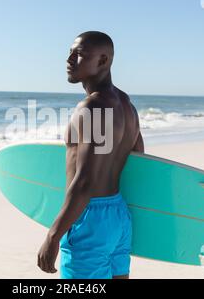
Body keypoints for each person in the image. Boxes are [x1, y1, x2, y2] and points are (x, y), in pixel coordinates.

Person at [37, 31, 144, 279]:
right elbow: (138, 158)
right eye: (70, 52)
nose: (70, 59)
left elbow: (85, 181)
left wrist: (53, 235)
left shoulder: (93, 106)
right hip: (118, 215)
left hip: (88, 218)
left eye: (80, 54)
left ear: (103, 61)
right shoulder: (127, 105)